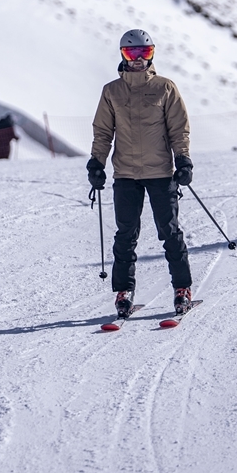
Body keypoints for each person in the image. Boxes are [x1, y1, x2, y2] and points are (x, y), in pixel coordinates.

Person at [87, 29, 194, 318]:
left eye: (144, 53)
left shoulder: (164, 87)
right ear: (122, 55)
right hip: (125, 174)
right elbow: (103, 132)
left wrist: (182, 159)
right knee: (125, 235)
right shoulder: (112, 91)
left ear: (151, 54)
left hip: (160, 172)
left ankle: (182, 288)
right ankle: (124, 292)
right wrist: (96, 163)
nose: (137, 59)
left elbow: (178, 129)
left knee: (169, 232)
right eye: (131, 53)